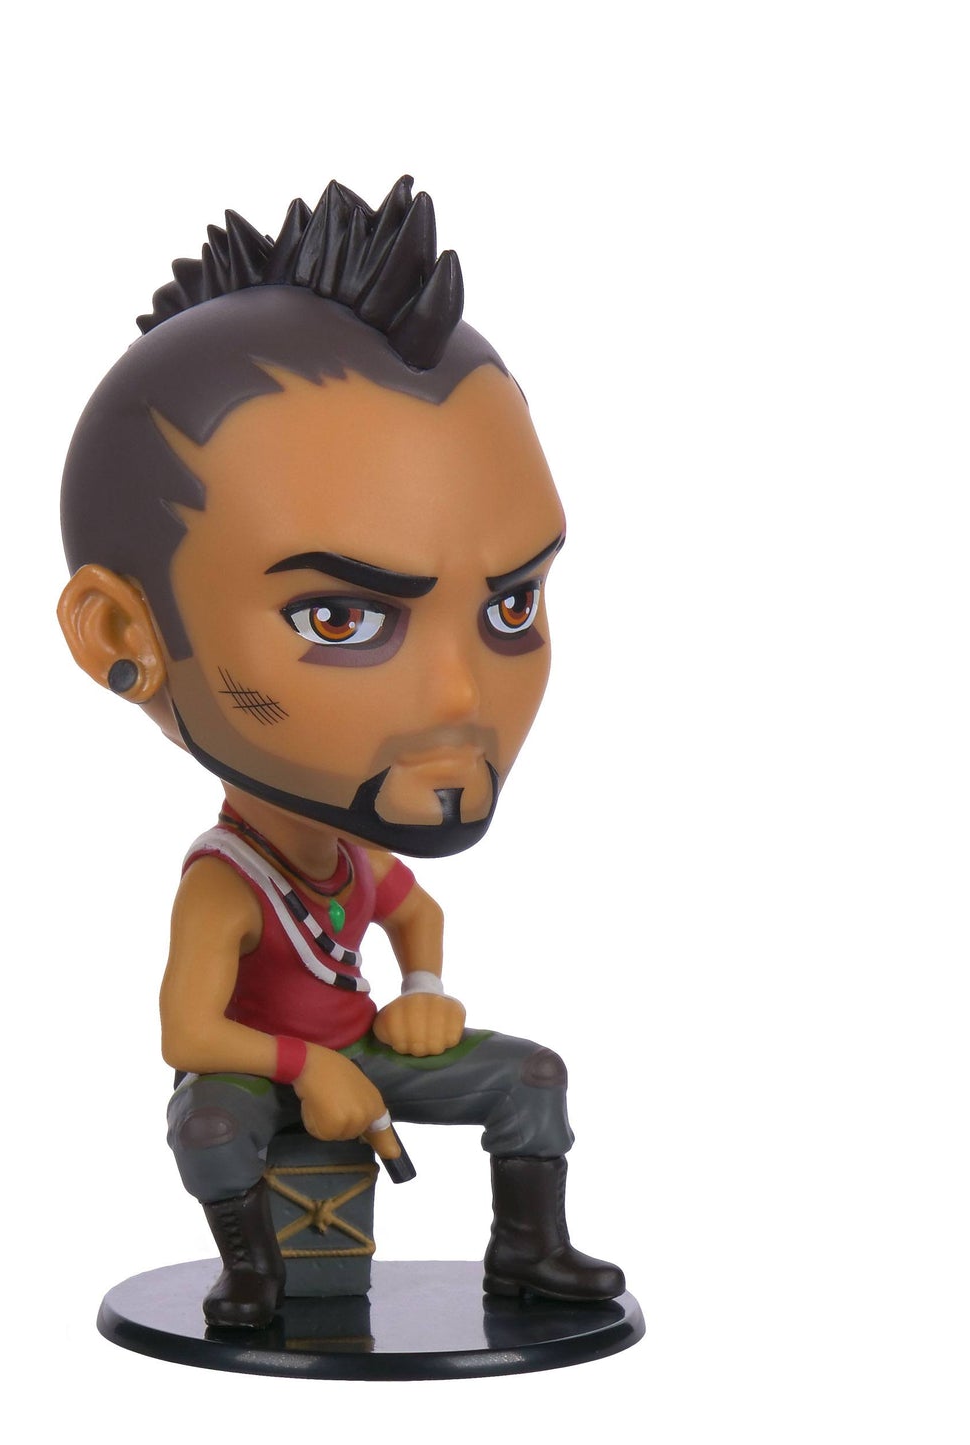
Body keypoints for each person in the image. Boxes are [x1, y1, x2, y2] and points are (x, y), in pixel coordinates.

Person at [57, 178, 624, 1328]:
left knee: (529, 1076)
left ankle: (529, 1246)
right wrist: (304, 1065)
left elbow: (415, 912)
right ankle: (251, 1272)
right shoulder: (226, 884)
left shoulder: (353, 857)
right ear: (124, 638)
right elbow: (185, 1030)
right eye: (341, 617)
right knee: (207, 1122)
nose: (460, 694)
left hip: (361, 1041)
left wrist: (423, 993)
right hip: (259, 1069)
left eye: (510, 605)